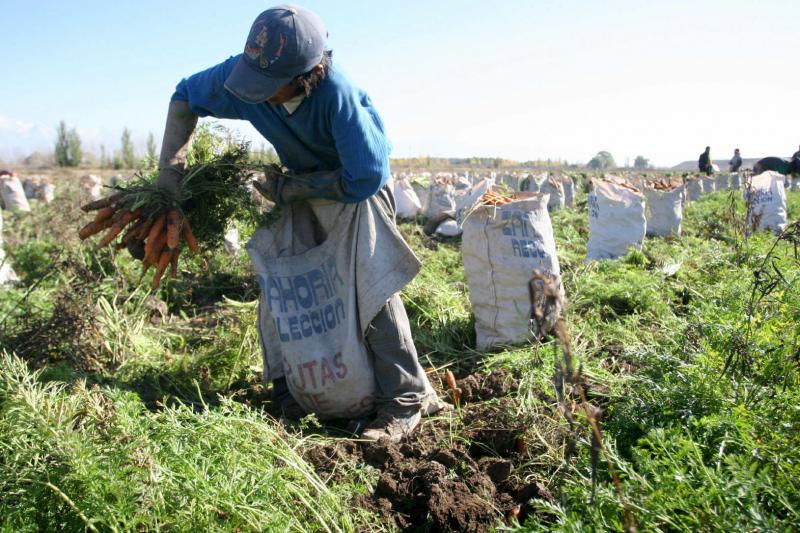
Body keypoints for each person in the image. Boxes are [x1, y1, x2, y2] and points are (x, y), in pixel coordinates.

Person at [152, 5, 446, 442]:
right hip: (297, 188)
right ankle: (290, 394)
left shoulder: (336, 95)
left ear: (309, 74)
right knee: (280, 289)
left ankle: (404, 400)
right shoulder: (242, 78)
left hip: (352, 192)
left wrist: (291, 190)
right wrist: (169, 178)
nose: (256, 95)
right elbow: (183, 95)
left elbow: (364, 176)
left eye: (269, 87)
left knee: (370, 290)